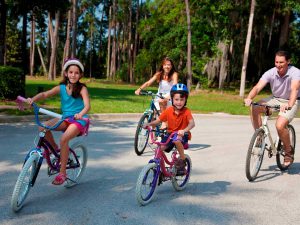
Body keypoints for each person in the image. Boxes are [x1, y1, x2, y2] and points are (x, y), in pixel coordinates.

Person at [27, 58, 90, 185]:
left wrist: (80, 114)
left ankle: (63, 173)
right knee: (42, 127)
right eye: (71, 72)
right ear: (66, 73)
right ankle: (54, 149)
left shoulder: (82, 89)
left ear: (80, 75)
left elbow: (87, 106)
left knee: (64, 139)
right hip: (65, 118)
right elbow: (45, 94)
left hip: (78, 120)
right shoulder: (61, 88)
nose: (73, 75)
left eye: (76, 73)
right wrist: (33, 99)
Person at [244, 50, 300, 168]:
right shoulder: (271, 72)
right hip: (276, 99)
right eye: (276, 62)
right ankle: (259, 137)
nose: (278, 65)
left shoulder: (295, 72)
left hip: (291, 101)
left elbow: (294, 90)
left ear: (288, 62)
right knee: (255, 107)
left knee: (280, 125)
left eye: (281, 62)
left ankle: (288, 152)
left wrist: (289, 105)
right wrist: (249, 98)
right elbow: (258, 87)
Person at [144, 83, 195, 174]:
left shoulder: (186, 111)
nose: (179, 102)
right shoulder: (169, 110)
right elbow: (158, 120)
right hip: (169, 135)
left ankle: (182, 161)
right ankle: (159, 168)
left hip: (182, 135)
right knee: (159, 148)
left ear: (185, 100)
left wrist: (184, 130)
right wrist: (149, 124)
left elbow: (192, 124)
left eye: (182, 99)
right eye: (176, 99)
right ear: (172, 99)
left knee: (176, 139)